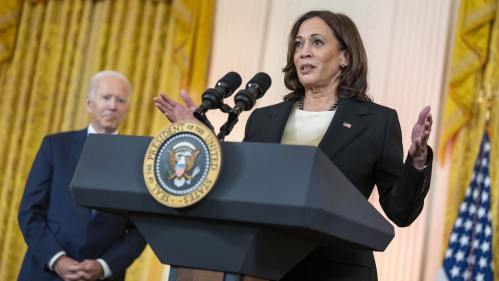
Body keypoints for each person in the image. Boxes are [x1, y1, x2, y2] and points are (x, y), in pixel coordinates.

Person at [153, 10, 433, 281]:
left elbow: (401, 212)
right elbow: (240, 182)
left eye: (317, 42)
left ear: (345, 57)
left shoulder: (376, 122)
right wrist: (203, 137)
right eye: (298, 43)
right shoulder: (263, 118)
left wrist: (417, 161)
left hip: (337, 271)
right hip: (264, 267)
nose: (303, 51)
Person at [18, 71, 147, 281]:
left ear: (127, 108)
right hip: (45, 272)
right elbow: (30, 212)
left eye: (120, 100)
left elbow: (140, 230)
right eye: (105, 97)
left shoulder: (139, 162)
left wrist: (104, 266)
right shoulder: (55, 146)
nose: (113, 105)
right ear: (89, 103)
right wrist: (57, 259)